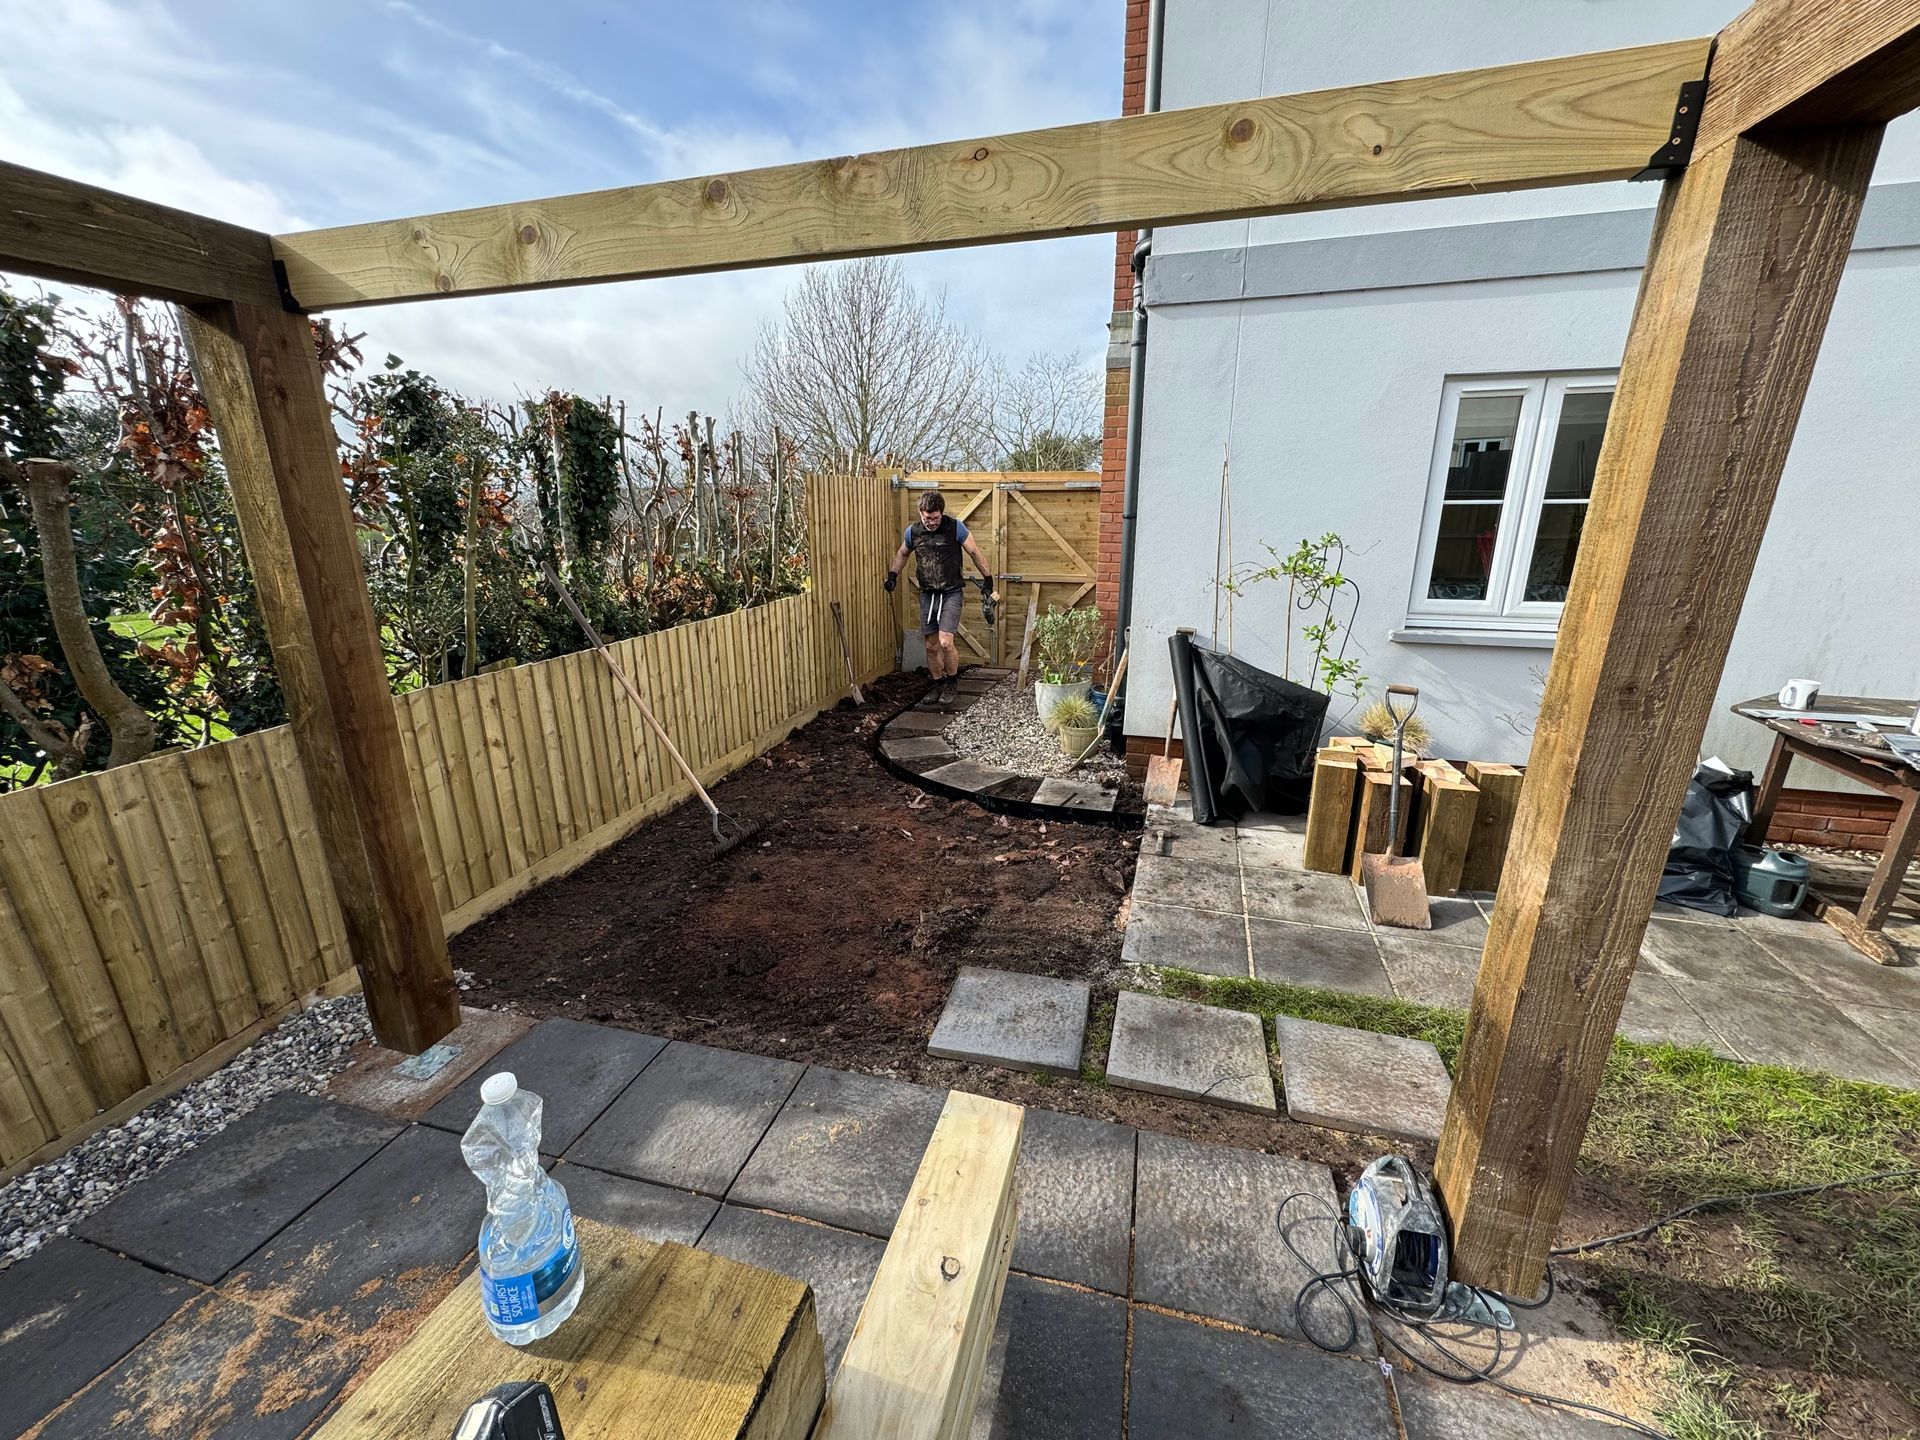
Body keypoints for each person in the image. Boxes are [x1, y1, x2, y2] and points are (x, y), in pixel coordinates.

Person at [885, 490, 992, 704]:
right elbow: (902, 553)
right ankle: (936, 684)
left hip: (951, 592)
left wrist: (988, 579)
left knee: (945, 641)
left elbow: (974, 552)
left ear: (941, 513)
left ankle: (951, 682)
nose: (932, 522)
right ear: (920, 513)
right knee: (931, 645)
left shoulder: (955, 527)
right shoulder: (913, 532)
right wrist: (893, 575)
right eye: (927, 518)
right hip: (928, 593)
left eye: (935, 518)